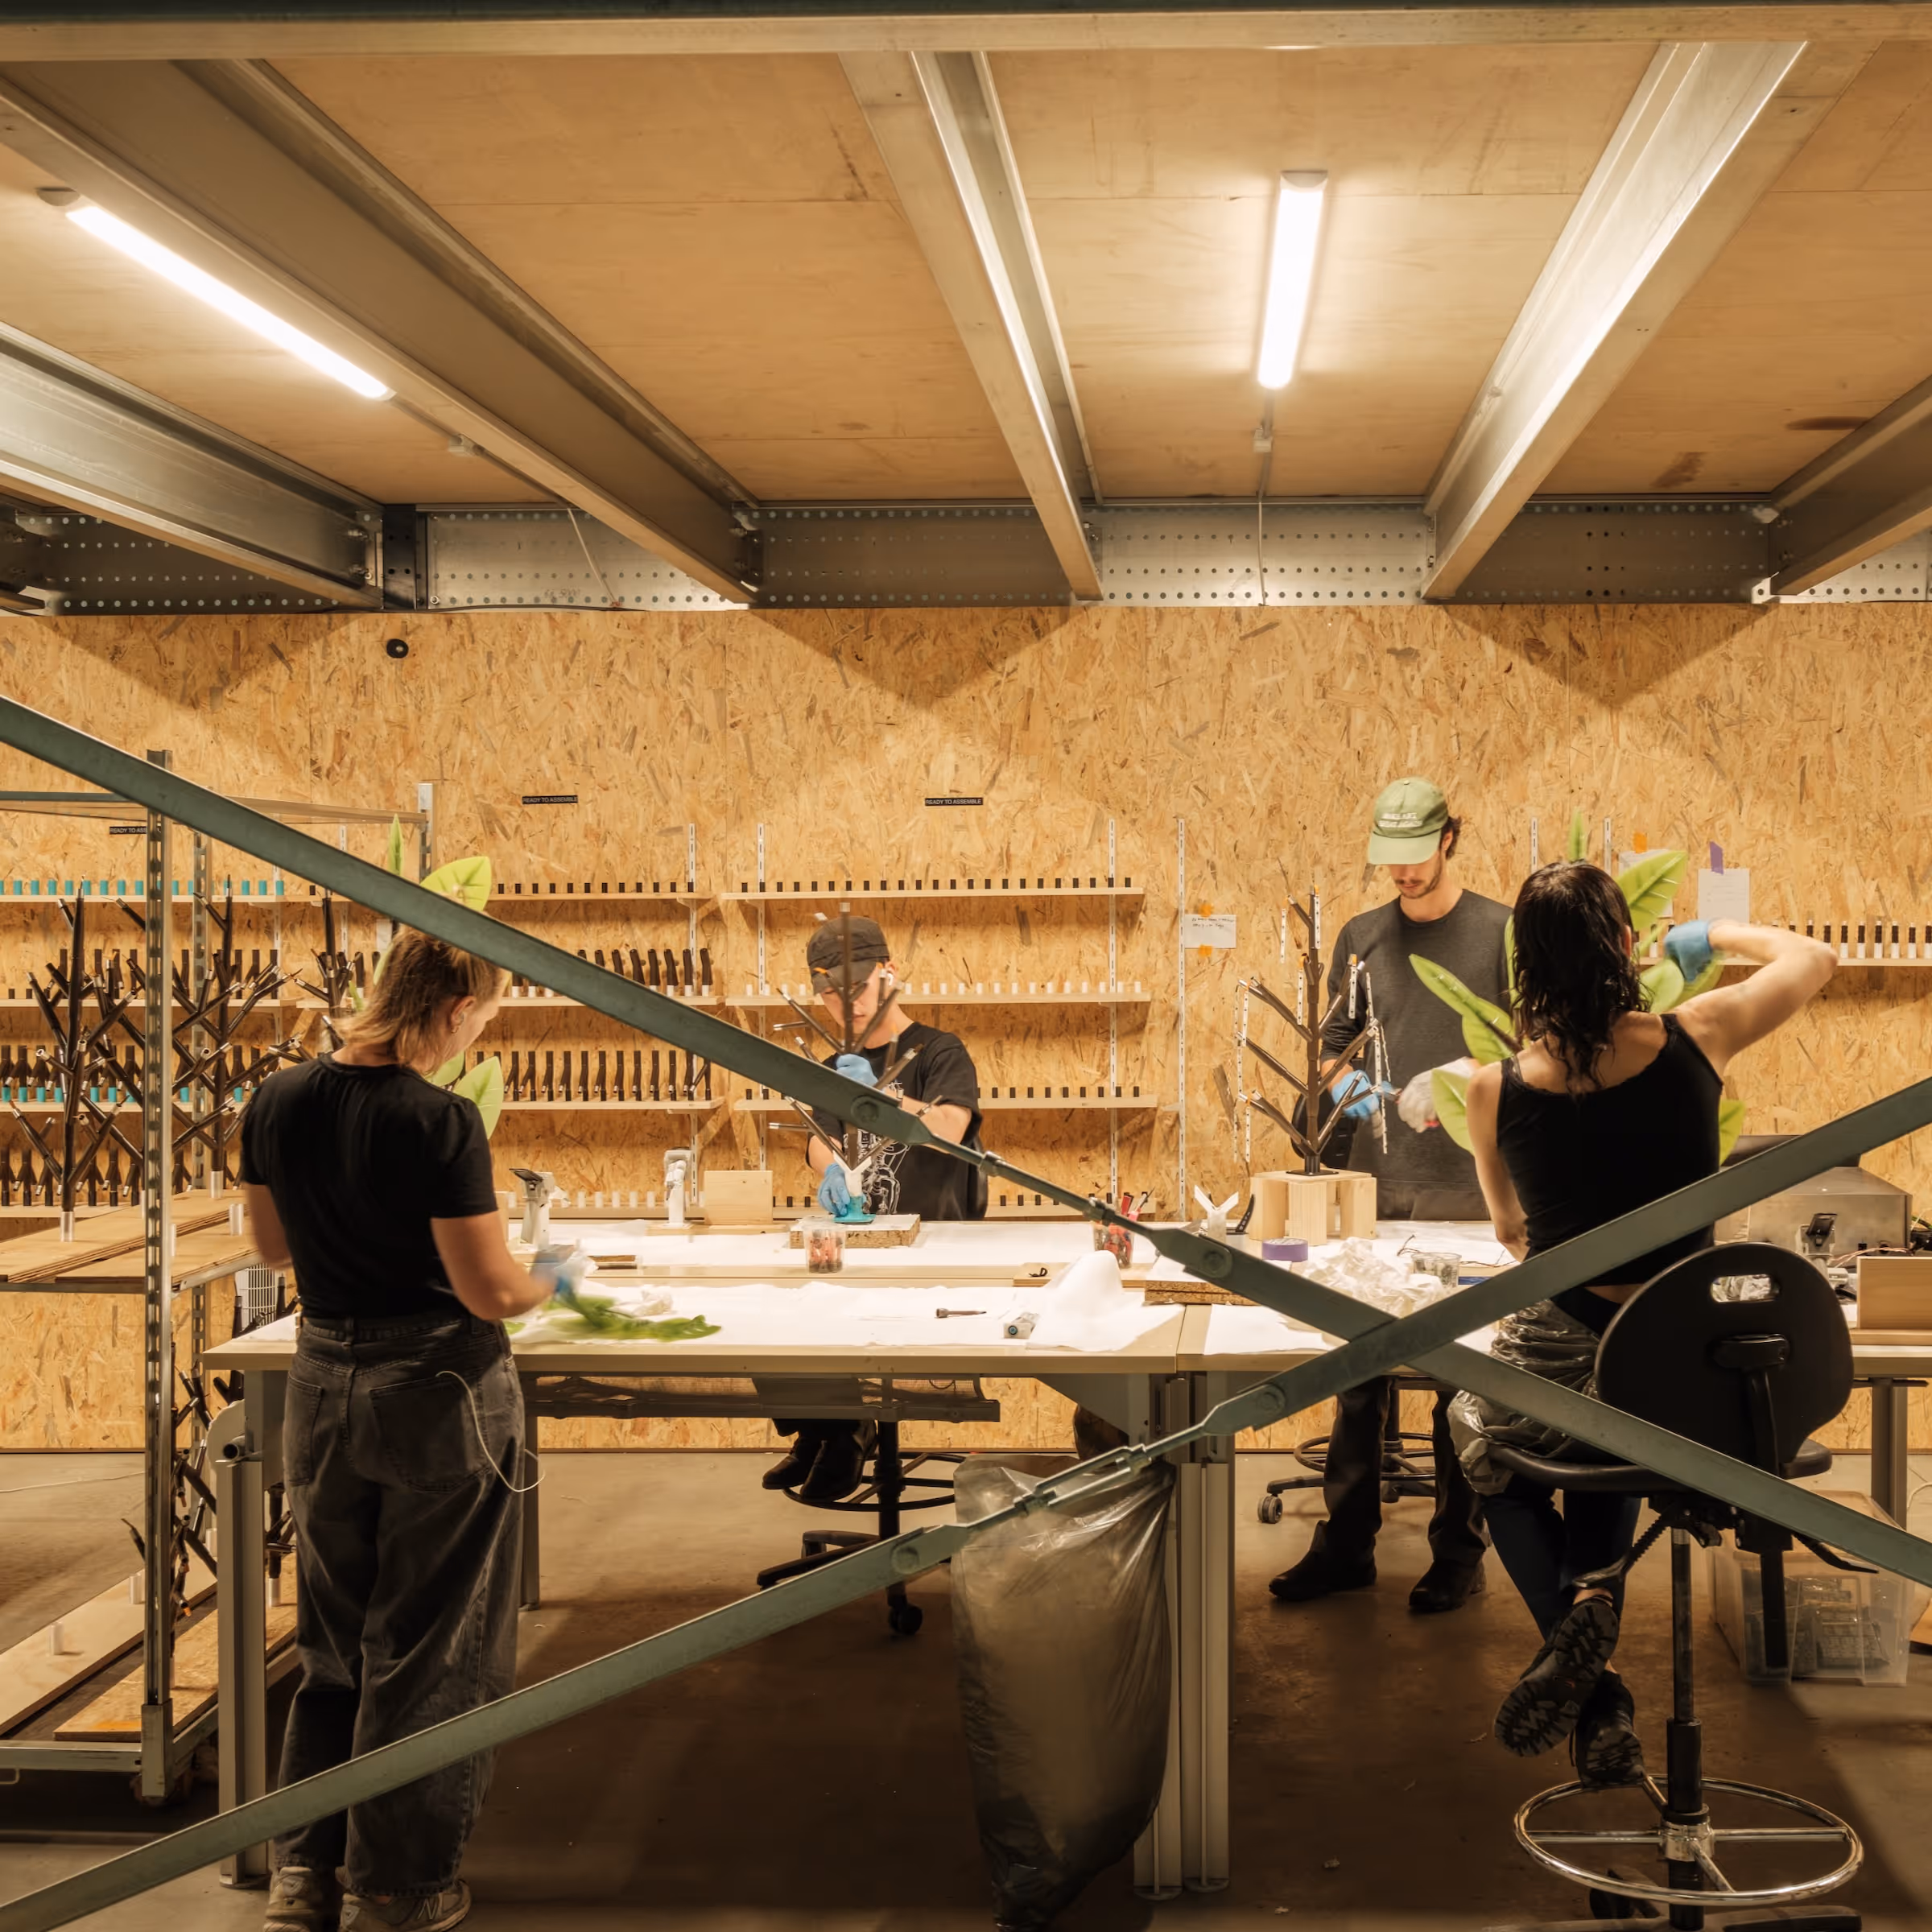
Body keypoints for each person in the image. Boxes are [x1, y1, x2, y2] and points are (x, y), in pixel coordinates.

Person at [1454, 869, 1833, 1785]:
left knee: (1480, 1434)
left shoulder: (1492, 1088)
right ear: (1624, 949)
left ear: (1524, 970)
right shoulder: (1699, 1036)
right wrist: (1709, 937)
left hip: (1568, 1351)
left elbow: (1511, 1237)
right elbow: (1815, 957)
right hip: (1687, 1368)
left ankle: (1599, 1686)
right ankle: (1593, 1599)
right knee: (1619, 1404)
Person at [244, 931, 566, 1932]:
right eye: (484, 1018)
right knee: (433, 1643)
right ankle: (396, 1887)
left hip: (323, 1378)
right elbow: (489, 1289)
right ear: (456, 1011)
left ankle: (306, 1874)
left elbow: (270, 1246)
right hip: (434, 1388)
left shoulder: (277, 1099)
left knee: (337, 1637)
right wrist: (557, 1273)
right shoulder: (440, 1120)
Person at [1269, 777, 1512, 1613]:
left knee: (1458, 1378)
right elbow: (1329, 1046)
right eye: (1390, 862)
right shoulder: (1362, 938)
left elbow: (1535, 1053)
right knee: (1357, 1372)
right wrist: (1347, 1085)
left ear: (1449, 838)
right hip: (1374, 1188)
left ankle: (1458, 1553)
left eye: (1415, 858)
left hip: (1468, 1191)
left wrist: (1467, 1076)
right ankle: (1345, 1544)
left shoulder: (1500, 933)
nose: (1402, 876)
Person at [762, 914, 983, 1503]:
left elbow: (948, 1131)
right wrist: (829, 1165)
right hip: (859, 1242)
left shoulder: (940, 1053)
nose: (843, 1003)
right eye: (828, 991)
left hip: (928, 1254)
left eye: (855, 987)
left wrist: (881, 1092)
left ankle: (841, 1436)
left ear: (890, 974)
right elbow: (821, 1136)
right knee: (772, 1308)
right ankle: (826, 1431)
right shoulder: (832, 1065)